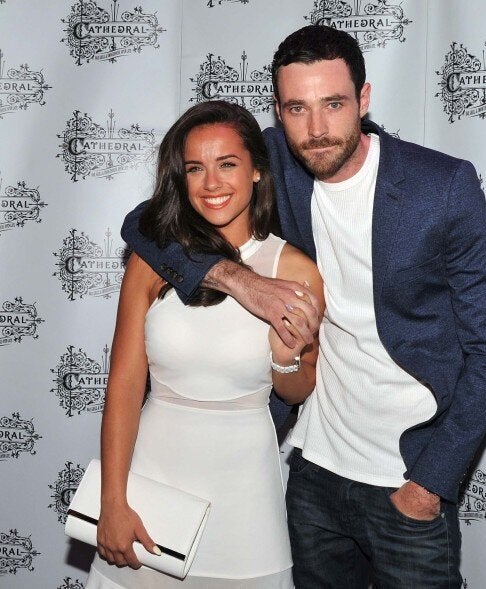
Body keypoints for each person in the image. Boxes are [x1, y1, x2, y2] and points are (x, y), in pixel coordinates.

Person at [122, 25, 486, 589]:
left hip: (407, 477)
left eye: (333, 104)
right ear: (278, 112)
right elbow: (145, 223)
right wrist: (240, 281)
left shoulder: (442, 186)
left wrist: (430, 483)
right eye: (296, 109)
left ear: (364, 99)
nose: (317, 129)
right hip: (313, 471)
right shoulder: (275, 161)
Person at [85, 100, 324, 589]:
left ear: (257, 169)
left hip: (246, 498)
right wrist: (113, 500)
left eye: (227, 164)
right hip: (150, 482)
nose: (211, 183)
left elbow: (299, 390)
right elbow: (125, 384)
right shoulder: (154, 258)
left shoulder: (294, 270)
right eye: (195, 168)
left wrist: (286, 360)